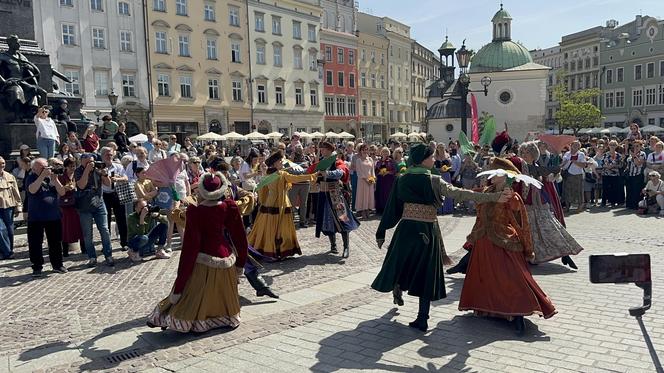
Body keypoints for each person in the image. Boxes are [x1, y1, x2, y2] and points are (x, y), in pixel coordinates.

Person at [372, 144, 513, 332]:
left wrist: (382, 230)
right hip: (427, 231)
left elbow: (392, 207)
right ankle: (422, 318)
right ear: (423, 159)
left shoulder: (402, 179)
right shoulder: (435, 180)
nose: (434, 160)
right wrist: (494, 197)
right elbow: (460, 194)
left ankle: (398, 285)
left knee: (401, 262)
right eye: (431, 157)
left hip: (406, 229)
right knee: (425, 272)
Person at [458, 161, 556, 336]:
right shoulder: (487, 192)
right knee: (485, 278)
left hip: (505, 240)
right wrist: (474, 236)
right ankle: (489, 309)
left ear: (505, 176)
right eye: (492, 171)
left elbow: (520, 221)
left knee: (512, 277)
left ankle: (518, 313)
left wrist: (513, 201)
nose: (491, 174)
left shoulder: (512, 196)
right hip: (484, 241)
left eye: (496, 172)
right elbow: (479, 215)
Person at [146, 172, 248, 332]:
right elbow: (240, 238)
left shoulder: (196, 211)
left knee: (191, 294)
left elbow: (190, 248)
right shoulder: (229, 206)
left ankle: (189, 320)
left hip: (203, 261)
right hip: (226, 261)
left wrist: (180, 284)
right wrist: (240, 265)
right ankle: (225, 317)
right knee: (222, 294)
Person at [518, 142, 583, 269]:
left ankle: (565, 254)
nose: (525, 155)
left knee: (552, 229)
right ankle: (531, 256)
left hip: (540, 203)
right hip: (526, 205)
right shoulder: (520, 168)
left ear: (534, 154)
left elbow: (552, 172)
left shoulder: (537, 167)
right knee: (529, 233)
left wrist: (554, 172)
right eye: (523, 153)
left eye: (528, 153)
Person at [248, 151, 316, 259]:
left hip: (276, 203)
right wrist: (312, 176)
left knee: (276, 228)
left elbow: (295, 179)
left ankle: (276, 250)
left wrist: (311, 176)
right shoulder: (275, 174)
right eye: (280, 161)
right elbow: (263, 188)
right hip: (277, 204)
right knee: (275, 229)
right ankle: (274, 251)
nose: (282, 162)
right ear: (274, 163)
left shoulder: (275, 174)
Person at [315, 141, 360, 259]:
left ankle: (346, 247)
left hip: (335, 195)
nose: (321, 151)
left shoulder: (337, 161)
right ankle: (333, 245)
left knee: (342, 219)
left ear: (329, 150)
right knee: (327, 220)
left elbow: (341, 172)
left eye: (323, 149)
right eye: (321, 149)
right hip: (323, 194)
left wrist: (327, 173)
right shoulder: (321, 162)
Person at [26, 158, 67, 276]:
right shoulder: (31, 177)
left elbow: (62, 192)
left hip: (53, 215)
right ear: (34, 169)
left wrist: (55, 180)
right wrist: (41, 176)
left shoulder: (51, 178)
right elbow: (32, 190)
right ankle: (37, 267)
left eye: (46, 166)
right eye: (42, 167)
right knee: (35, 243)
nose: (46, 169)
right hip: (36, 217)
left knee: (55, 242)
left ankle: (57, 265)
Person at [75, 153, 114, 267]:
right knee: (87, 234)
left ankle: (108, 255)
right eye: (87, 162)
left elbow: (108, 184)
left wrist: (105, 174)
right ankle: (92, 257)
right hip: (84, 205)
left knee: (105, 230)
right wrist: (87, 170)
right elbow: (81, 185)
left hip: (99, 203)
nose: (91, 164)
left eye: (92, 161)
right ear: (82, 161)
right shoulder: (79, 171)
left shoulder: (98, 169)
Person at [100, 147, 129, 250]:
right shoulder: (99, 167)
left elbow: (126, 178)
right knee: (105, 221)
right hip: (104, 194)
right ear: (102, 156)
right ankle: (107, 245)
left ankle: (124, 242)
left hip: (117, 193)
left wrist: (117, 178)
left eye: (111, 155)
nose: (109, 157)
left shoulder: (118, 166)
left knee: (121, 219)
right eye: (107, 155)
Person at [57, 158, 83, 257]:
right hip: (66, 205)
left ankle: (83, 248)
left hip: (77, 203)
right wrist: (65, 188)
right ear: (66, 167)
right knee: (66, 227)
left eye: (74, 166)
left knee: (80, 226)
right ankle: (65, 251)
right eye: (70, 166)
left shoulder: (77, 175)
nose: (73, 168)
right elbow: (58, 190)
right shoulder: (61, 177)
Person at [0, 156, 21, 260]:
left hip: (9, 205)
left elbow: (16, 192)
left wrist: (18, 206)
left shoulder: (9, 176)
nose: (1, 166)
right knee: (0, 229)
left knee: (10, 230)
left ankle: (8, 250)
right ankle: (7, 252)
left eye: (3, 163)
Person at [561, 141, 587, 211]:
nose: (576, 146)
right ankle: (567, 206)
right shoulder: (567, 153)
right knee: (567, 191)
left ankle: (580, 206)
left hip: (578, 174)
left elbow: (584, 165)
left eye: (577, 145)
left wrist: (574, 161)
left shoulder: (581, 154)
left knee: (579, 191)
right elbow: (563, 164)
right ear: (571, 145)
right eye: (574, 145)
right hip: (568, 174)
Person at [352, 143, 375, 219]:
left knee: (369, 196)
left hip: (370, 181)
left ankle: (368, 209)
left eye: (366, 149)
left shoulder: (370, 159)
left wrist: (372, 179)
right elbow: (359, 172)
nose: (365, 151)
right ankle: (363, 210)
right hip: (362, 181)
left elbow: (372, 170)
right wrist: (366, 180)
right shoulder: (358, 160)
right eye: (363, 150)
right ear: (360, 151)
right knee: (362, 195)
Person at [601, 140, 625, 207]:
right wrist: (607, 166)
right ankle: (603, 202)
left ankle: (613, 202)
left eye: (614, 145)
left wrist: (613, 166)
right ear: (608, 146)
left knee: (614, 188)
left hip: (615, 174)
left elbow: (621, 165)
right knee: (605, 188)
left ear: (616, 146)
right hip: (606, 173)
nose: (612, 146)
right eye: (611, 145)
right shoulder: (605, 154)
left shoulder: (619, 155)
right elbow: (602, 163)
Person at [375, 147, 397, 215]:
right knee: (380, 194)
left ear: (388, 153)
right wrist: (378, 173)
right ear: (381, 153)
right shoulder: (379, 161)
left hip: (388, 180)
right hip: (380, 180)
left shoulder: (391, 161)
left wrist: (388, 172)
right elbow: (375, 170)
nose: (385, 153)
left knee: (387, 194)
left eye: (386, 152)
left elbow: (394, 170)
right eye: (383, 151)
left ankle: (387, 209)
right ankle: (380, 209)